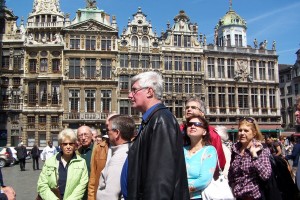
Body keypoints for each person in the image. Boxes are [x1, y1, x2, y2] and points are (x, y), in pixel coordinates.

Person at [121, 71, 189, 199]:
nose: (130, 95)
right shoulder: (152, 120)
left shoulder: (161, 121)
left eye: (134, 90)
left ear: (149, 92)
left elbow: (161, 177)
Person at [37, 128, 88, 199]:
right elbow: (42, 185)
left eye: (71, 144)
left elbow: (82, 185)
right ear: (61, 145)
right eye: (65, 144)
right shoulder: (50, 162)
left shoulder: (81, 162)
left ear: (74, 145)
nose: (68, 147)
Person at [228, 117, 272, 200]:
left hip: (256, 197)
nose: (242, 133)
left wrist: (254, 156)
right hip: (239, 196)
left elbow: (266, 175)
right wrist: (233, 185)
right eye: (240, 130)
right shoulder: (235, 149)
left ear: (254, 133)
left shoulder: (261, 149)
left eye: (246, 130)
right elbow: (231, 173)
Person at [182, 97, 226, 172]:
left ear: (202, 113)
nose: (189, 109)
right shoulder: (178, 130)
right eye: (187, 107)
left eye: (193, 107)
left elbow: (220, 162)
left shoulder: (212, 133)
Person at [97, 115, 135, 199]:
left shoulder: (119, 159)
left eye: (108, 130)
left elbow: (110, 195)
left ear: (117, 133)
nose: (107, 133)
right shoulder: (133, 150)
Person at [183, 115, 217, 199]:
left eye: (197, 124)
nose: (193, 126)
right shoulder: (181, 150)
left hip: (198, 197)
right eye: (190, 124)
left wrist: (180, 188)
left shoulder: (209, 151)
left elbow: (204, 180)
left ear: (204, 132)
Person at [88, 113, 116, 200]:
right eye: (106, 126)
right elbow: (93, 178)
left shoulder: (130, 147)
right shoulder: (99, 148)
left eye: (109, 126)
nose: (106, 129)